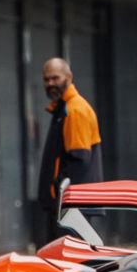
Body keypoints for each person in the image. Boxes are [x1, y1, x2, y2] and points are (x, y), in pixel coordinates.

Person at [36, 57, 102, 243]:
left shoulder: (75, 110)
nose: (50, 84)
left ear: (69, 77)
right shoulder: (63, 110)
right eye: (46, 79)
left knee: (67, 264)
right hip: (67, 206)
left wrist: (59, 192)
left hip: (72, 208)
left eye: (55, 78)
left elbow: (79, 159)